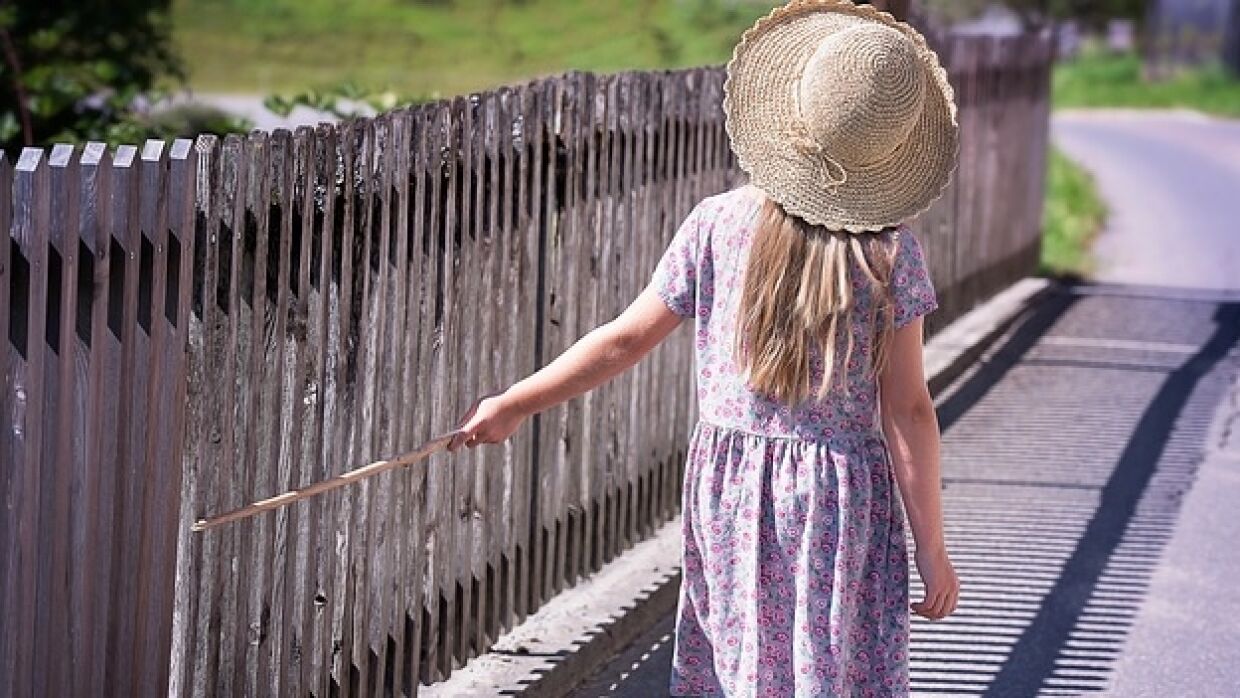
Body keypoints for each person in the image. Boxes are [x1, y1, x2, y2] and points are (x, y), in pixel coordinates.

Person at [448, 0, 960, 694]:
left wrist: (515, 402)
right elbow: (908, 410)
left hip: (733, 490)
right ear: (890, 153)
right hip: (839, 498)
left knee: (747, 662)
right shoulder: (890, 254)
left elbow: (624, 341)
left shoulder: (716, 225)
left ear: (792, 115)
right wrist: (930, 547)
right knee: (829, 667)